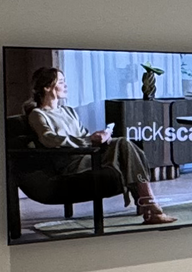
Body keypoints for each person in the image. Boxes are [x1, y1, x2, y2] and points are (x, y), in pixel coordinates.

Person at [23, 66, 174, 226]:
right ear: (47, 87)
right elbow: (50, 140)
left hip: (90, 154)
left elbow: (82, 134)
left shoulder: (68, 111)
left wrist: (102, 137)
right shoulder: (38, 114)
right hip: (72, 164)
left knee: (124, 145)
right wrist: (89, 140)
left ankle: (147, 203)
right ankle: (148, 204)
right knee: (125, 147)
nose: (66, 85)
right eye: (61, 82)